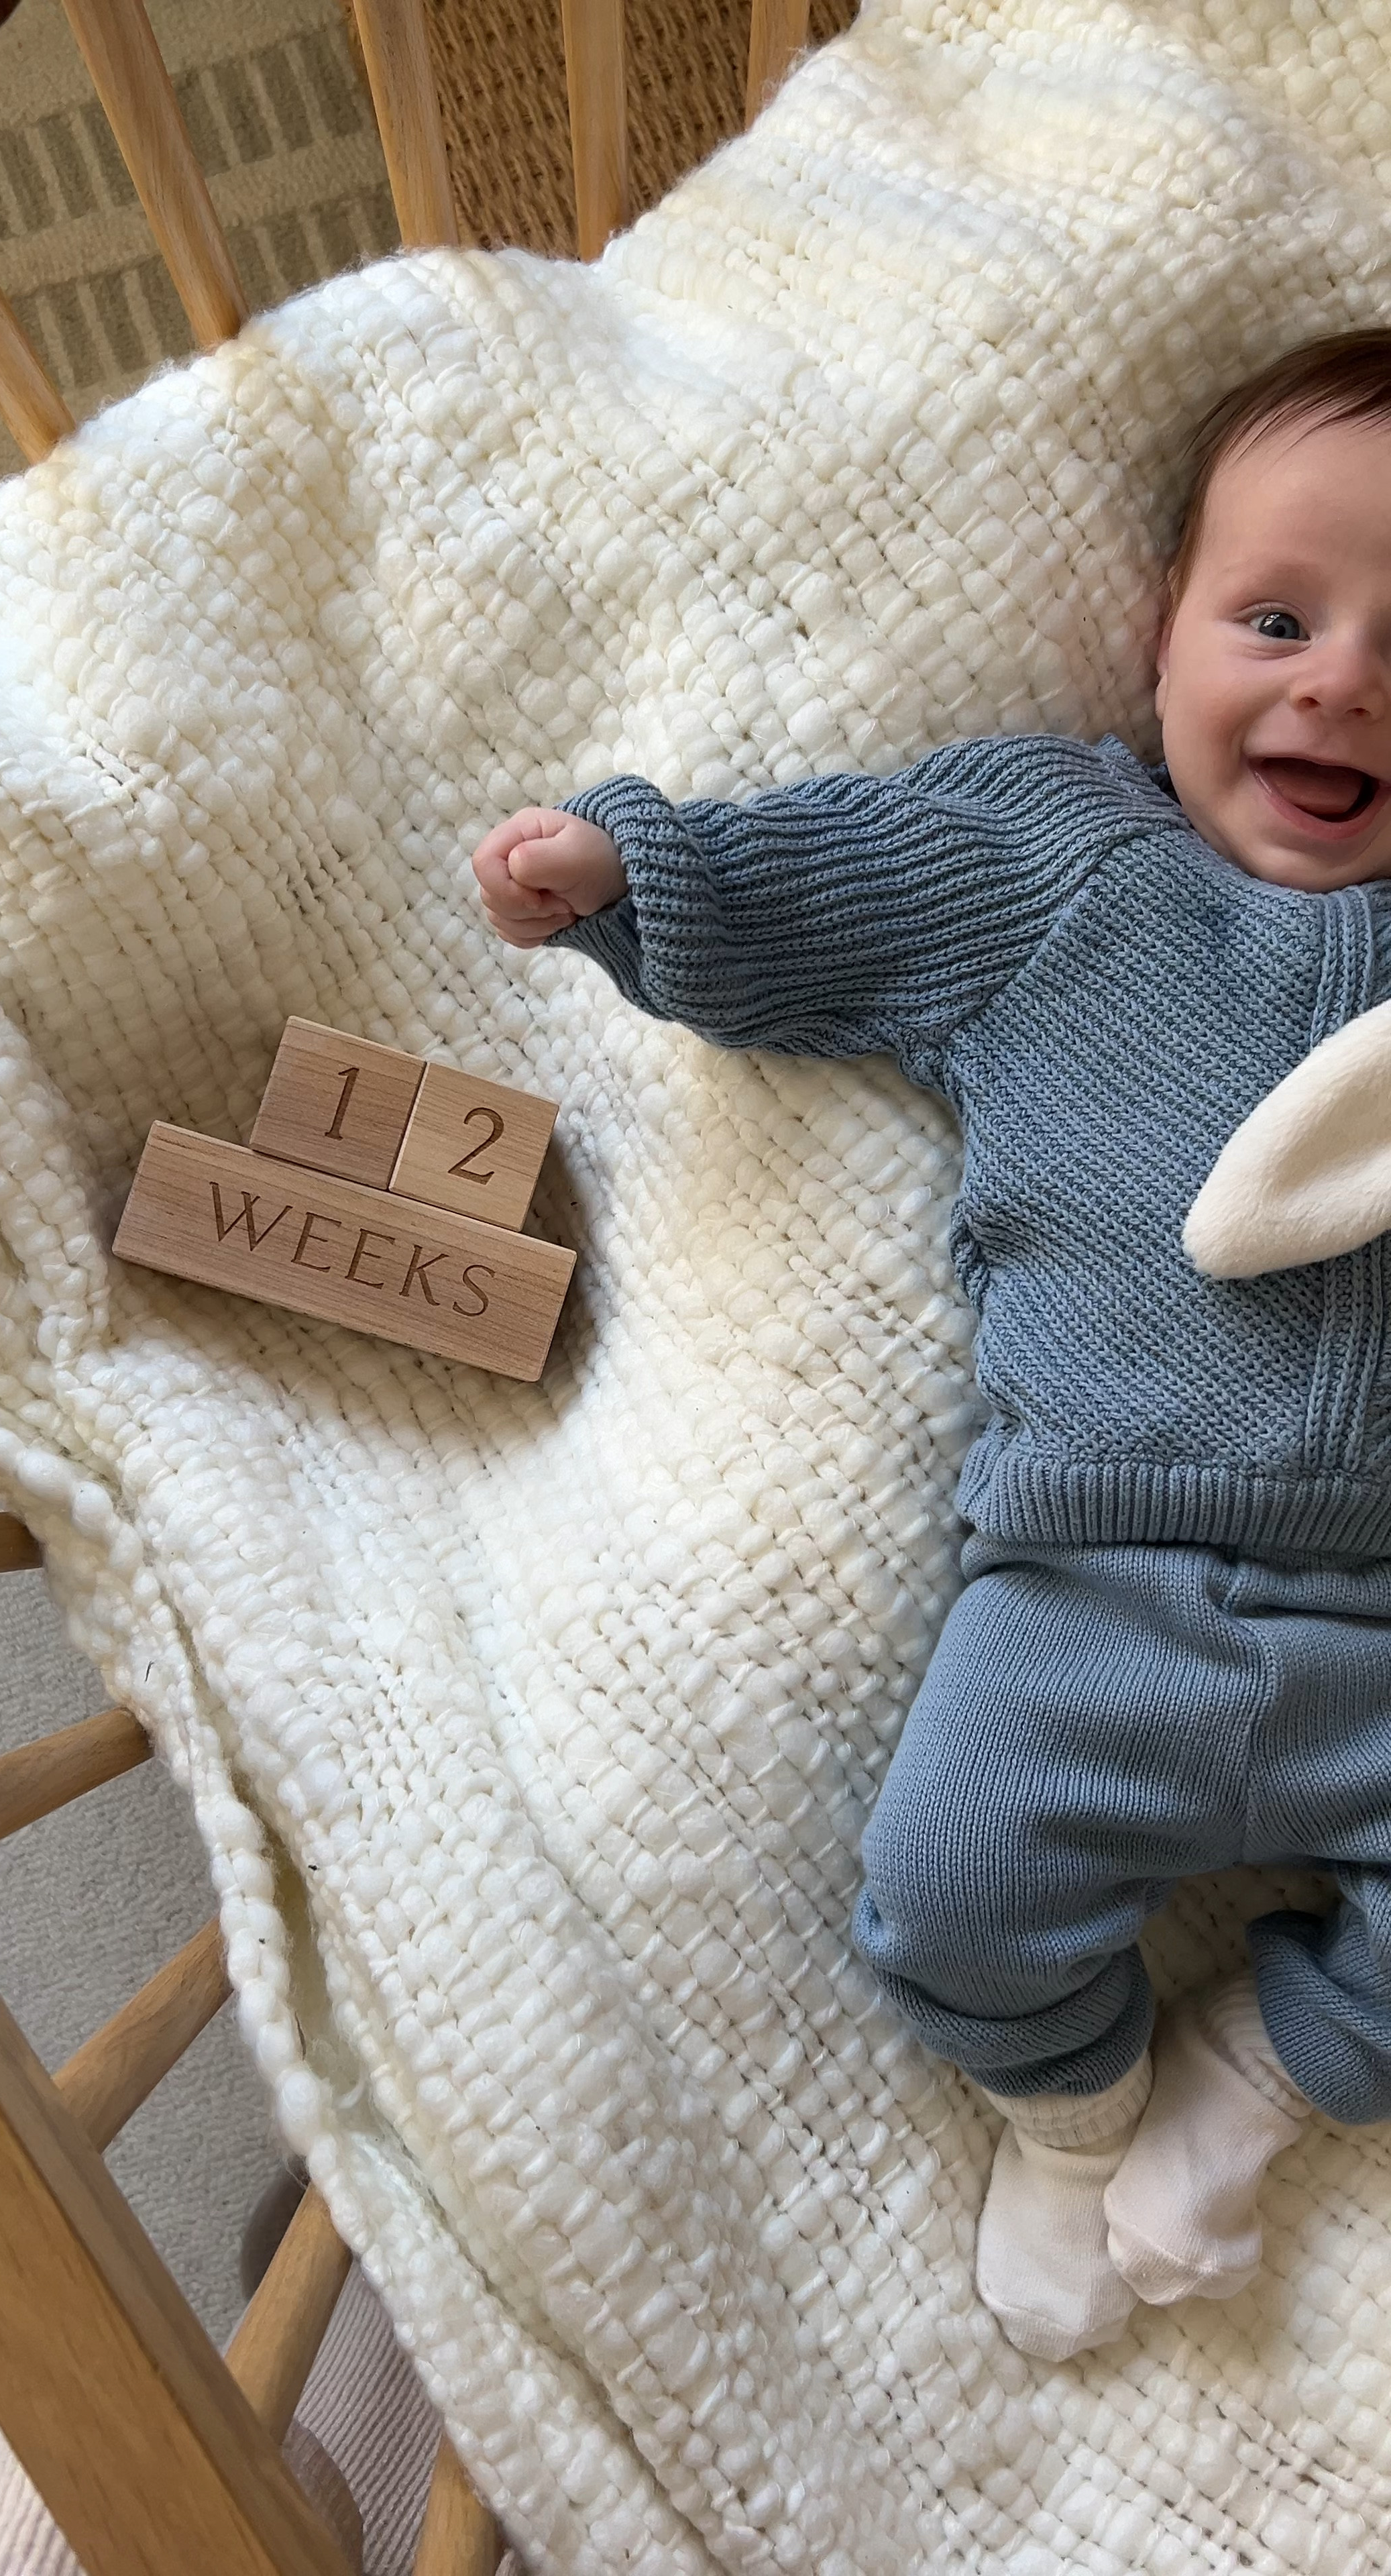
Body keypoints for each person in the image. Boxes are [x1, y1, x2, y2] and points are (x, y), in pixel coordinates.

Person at [471, 331, 1391, 2361]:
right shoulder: (1066, 859)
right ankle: (1075, 2117)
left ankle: (1260, 2080)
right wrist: (637, 872)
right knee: (950, 1883)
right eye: (1276, 621)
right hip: (1097, 1582)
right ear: (1160, 638)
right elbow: (842, 880)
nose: (1340, 685)